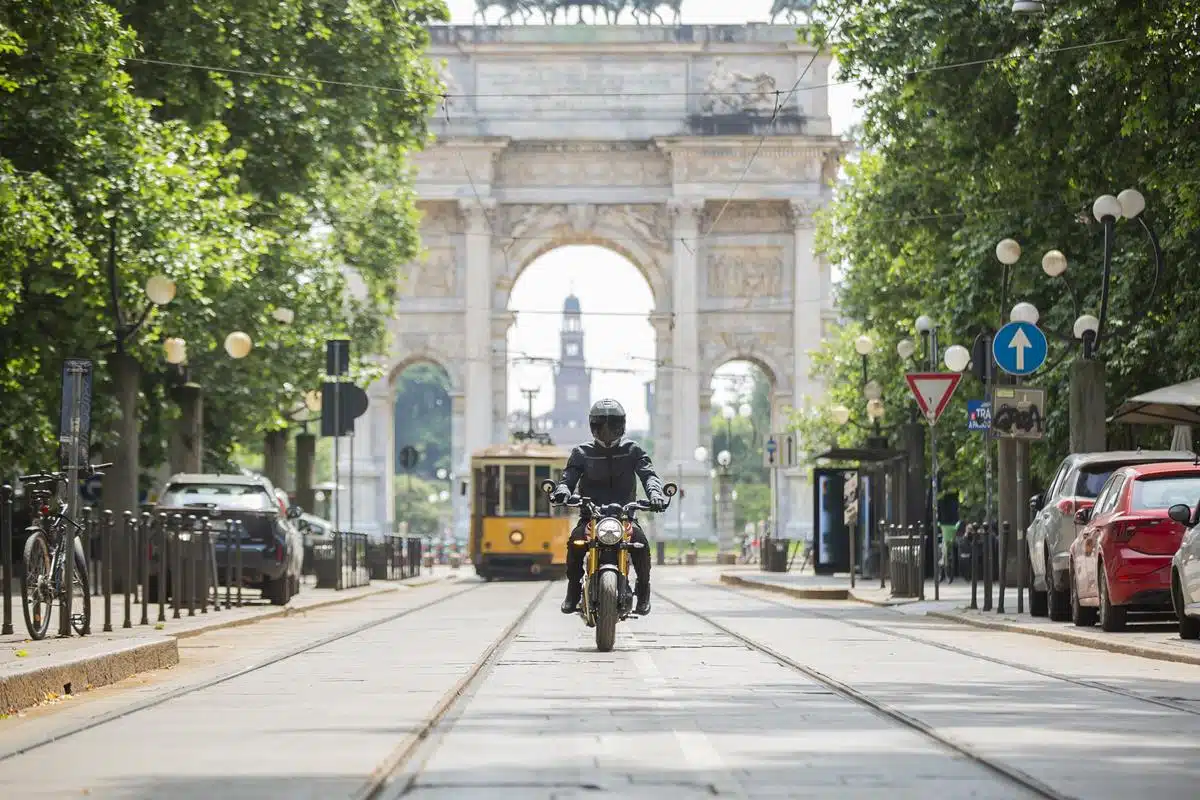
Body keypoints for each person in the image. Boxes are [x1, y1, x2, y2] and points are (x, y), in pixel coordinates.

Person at [550, 398, 667, 617]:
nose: (607, 430)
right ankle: (573, 590)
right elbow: (568, 478)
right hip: (591, 518)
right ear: (593, 426)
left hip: (625, 518)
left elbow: (648, 475)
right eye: (601, 425)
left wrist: (655, 494)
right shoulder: (581, 453)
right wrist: (563, 491)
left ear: (621, 425)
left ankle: (643, 591)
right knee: (575, 545)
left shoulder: (633, 450)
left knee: (640, 544)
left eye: (612, 424)